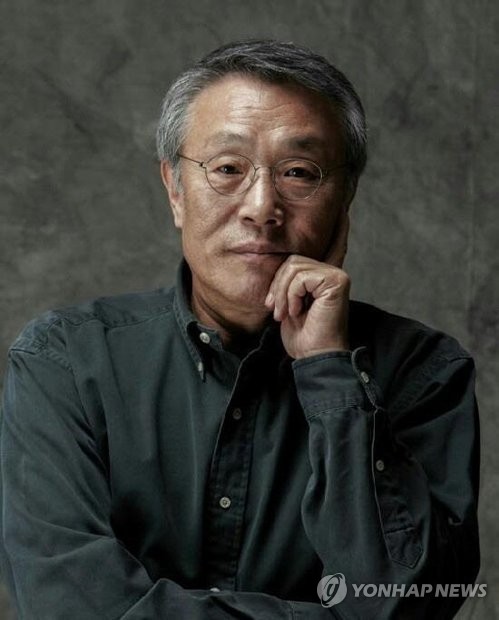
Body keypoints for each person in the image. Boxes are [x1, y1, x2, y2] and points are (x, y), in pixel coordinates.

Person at [0, 40, 479, 619]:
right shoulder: (65, 363)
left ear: (345, 196)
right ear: (175, 189)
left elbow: (410, 603)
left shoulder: (424, 373)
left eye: (299, 173)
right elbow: (68, 605)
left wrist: (329, 370)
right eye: (228, 168)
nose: (261, 207)